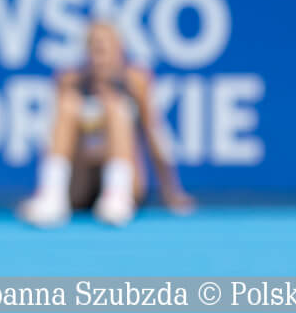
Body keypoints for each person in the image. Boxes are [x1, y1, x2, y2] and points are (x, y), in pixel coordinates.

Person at [18, 20, 194, 228]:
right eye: (93, 48)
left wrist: (171, 192)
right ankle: (52, 196)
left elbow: (153, 134)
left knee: (115, 108)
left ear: (120, 50)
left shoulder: (137, 81)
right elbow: (53, 138)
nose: (98, 56)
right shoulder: (68, 81)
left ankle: (117, 195)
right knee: (67, 105)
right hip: (80, 183)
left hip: (129, 183)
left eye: (104, 49)